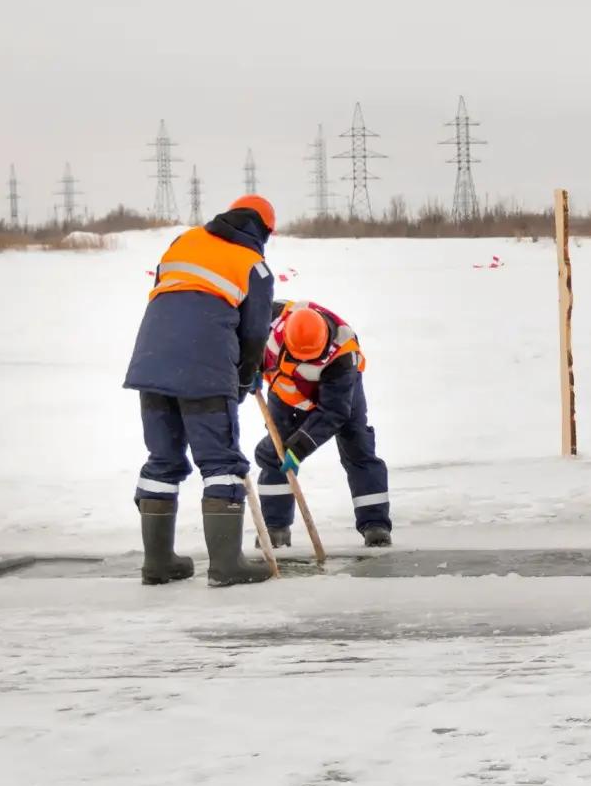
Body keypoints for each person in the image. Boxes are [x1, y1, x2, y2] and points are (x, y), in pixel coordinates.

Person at [123, 195, 278, 585]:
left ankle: (157, 564)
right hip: (205, 366)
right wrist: (245, 377)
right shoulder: (253, 266)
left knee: (162, 459)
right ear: (263, 230)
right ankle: (227, 566)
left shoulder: (184, 240)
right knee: (220, 461)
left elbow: (166, 291)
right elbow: (256, 333)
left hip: (152, 359)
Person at [252, 298, 394, 548]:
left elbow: (333, 413)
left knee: (357, 444)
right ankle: (276, 529)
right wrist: (245, 370)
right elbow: (239, 333)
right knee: (276, 452)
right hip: (285, 390)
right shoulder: (270, 319)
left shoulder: (343, 352)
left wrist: (299, 448)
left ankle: (375, 525)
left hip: (337, 395)